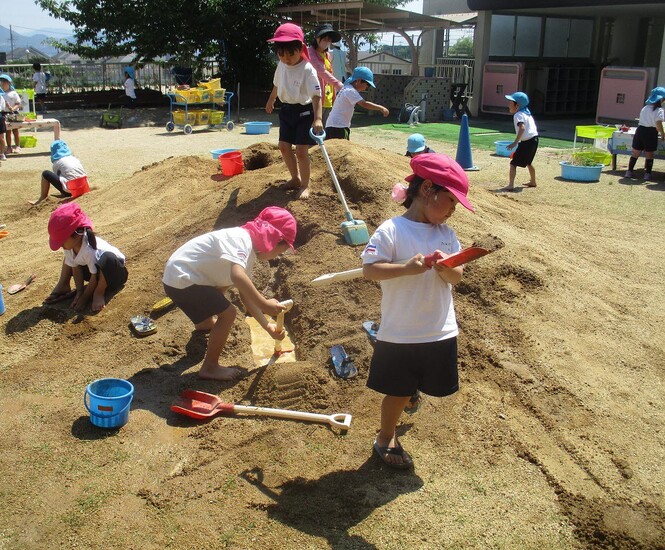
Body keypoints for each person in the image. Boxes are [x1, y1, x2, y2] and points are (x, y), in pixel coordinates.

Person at [361, 153, 474, 469]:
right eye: (450, 201)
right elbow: (371, 270)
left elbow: (457, 277)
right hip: (403, 331)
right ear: (427, 189)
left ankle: (410, 392)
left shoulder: (446, 235)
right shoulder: (392, 230)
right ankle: (385, 438)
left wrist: (444, 269)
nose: (453, 210)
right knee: (396, 390)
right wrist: (408, 268)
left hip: (439, 328)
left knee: (422, 381)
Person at [162, 207, 297, 381]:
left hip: (177, 280)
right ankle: (210, 367)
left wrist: (266, 326)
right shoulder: (242, 241)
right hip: (185, 279)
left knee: (222, 288)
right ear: (273, 239)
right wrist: (264, 304)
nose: (276, 256)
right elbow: (238, 276)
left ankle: (204, 323)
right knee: (228, 314)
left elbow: (245, 296)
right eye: (281, 251)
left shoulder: (245, 244)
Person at [265, 22, 323, 199]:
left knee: (301, 150)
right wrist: (271, 100)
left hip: (304, 113)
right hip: (286, 111)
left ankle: (305, 185)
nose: (286, 57)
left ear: (300, 48)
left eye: (291, 53)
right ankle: (295, 178)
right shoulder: (281, 65)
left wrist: (318, 119)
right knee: (283, 147)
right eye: (281, 53)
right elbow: (276, 84)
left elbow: (316, 96)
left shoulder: (307, 69)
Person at [45, 202, 128, 312]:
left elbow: (94, 276)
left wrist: (84, 299)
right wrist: (80, 292)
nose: (61, 245)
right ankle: (64, 286)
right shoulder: (70, 247)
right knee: (69, 259)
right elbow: (75, 268)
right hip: (94, 272)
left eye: (62, 241)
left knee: (107, 258)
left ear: (75, 235)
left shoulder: (89, 249)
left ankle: (99, 292)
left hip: (114, 274)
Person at [324, 66, 389, 140]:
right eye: (367, 85)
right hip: (339, 126)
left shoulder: (346, 88)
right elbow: (364, 103)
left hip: (331, 125)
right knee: (343, 148)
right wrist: (381, 108)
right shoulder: (351, 91)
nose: (366, 88)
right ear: (358, 81)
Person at [307, 23, 344, 124]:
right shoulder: (310, 53)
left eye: (329, 40)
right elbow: (321, 71)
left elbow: (330, 75)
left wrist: (334, 96)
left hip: (328, 99)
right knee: (313, 129)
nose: (327, 42)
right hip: (315, 99)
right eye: (324, 39)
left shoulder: (327, 55)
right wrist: (338, 84)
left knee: (324, 130)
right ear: (317, 38)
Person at [30, 140, 87, 205]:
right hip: (84, 188)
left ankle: (42, 198)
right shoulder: (74, 158)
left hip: (71, 191)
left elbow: (59, 177)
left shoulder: (57, 162)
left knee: (45, 173)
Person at [625, 87, 665, 180]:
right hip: (650, 132)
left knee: (635, 152)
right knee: (649, 153)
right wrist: (662, 134)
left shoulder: (645, 108)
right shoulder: (659, 110)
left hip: (640, 130)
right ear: (661, 99)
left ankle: (629, 171)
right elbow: (658, 124)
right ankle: (647, 174)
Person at [502, 91, 538, 191]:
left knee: (513, 163)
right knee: (529, 162)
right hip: (534, 139)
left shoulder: (518, 115)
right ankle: (533, 181)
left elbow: (522, 128)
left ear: (517, 105)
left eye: (511, 102)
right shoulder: (527, 114)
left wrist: (515, 143)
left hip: (527, 142)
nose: (509, 104)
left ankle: (510, 185)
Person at [0, 74, 22, 154]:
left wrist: (12, 108)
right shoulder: (1, 94)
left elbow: (18, 103)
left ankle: (17, 145)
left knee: (15, 130)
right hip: (4, 113)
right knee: (8, 131)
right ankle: (9, 146)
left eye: (5, 82)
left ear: (9, 83)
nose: (3, 84)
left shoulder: (13, 93)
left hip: (13, 113)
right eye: (2, 82)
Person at [0, 92, 7, 162]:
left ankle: (2, 153)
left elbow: (2, 108)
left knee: (1, 137)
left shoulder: (1, 98)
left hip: (0, 117)